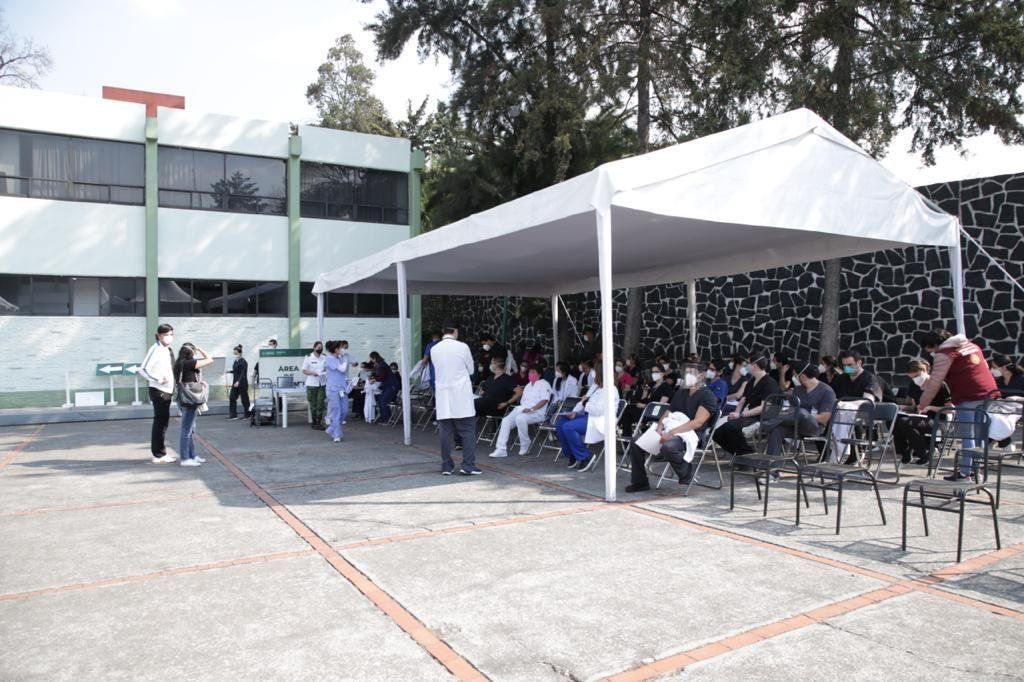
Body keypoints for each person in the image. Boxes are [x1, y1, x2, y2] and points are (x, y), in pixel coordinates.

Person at [917, 329, 1001, 481]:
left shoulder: (944, 354)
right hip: (988, 392)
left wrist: (923, 403)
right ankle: (978, 470)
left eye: (931, 349)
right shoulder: (972, 346)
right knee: (979, 433)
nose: (932, 353)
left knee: (968, 435)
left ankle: (965, 473)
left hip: (967, 394)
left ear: (936, 345)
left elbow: (935, 382)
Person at [624, 368, 718, 492]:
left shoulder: (707, 395)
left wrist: (672, 433)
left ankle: (685, 473)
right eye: (687, 372)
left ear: (701, 376)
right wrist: (659, 428)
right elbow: (668, 413)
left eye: (691, 373)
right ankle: (640, 482)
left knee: (668, 446)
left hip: (691, 433)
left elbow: (698, 422)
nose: (688, 375)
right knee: (636, 442)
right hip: (670, 428)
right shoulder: (681, 392)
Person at [431, 323, 481, 475]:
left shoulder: (434, 349)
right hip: (460, 395)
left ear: (443, 331)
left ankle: (446, 466)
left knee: (445, 433)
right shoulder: (462, 347)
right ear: (455, 331)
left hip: (443, 395)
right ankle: (468, 465)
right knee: (467, 431)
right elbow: (471, 369)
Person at [555, 362, 619, 470]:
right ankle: (573, 454)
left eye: (595, 371)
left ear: (601, 373)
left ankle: (585, 457)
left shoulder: (611, 390)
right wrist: (574, 412)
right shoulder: (596, 386)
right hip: (588, 416)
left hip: (600, 420)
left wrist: (586, 403)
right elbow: (583, 401)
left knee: (569, 427)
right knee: (560, 424)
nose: (593, 374)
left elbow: (598, 410)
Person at [761, 364, 836, 456]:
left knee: (801, 412)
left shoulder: (827, 391)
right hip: (795, 425)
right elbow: (791, 411)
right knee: (777, 430)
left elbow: (824, 418)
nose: (794, 378)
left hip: (814, 427)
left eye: (795, 375)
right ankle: (772, 462)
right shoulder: (797, 390)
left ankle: (762, 426)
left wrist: (805, 415)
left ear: (803, 376)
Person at [713, 358, 779, 456]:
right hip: (746, 416)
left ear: (755, 366)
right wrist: (736, 413)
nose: (746, 367)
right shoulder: (751, 381)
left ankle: (748, 455)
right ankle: (741, 455)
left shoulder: (770, 383)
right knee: (717, 433)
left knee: (730, 428)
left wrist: (741, 414)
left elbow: (764, 407)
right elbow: (743, 400)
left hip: (759, 418)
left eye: (748, 364)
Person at [894, 359, 951, 465]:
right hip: (919, 418)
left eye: (917, 376)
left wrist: (930, 408)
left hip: (937, 420)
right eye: (912, 377)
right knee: (894, 419)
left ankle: (920, 451)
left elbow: (950, 409)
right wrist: (902, 408)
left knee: (904, 422)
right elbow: (914, 406)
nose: (915, 380)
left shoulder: (940, 385)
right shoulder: (913, 385)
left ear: (925, 371)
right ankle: (905, 450)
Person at [489, 364, 552, 457]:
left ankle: (525, 443)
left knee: (520, 418)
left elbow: (544, 400)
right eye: (530, 372)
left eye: (533, 372)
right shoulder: (528, 386)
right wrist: (524, 409)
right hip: (522, 409)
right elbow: (523, 402)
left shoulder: (544, 384)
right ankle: (501, 449)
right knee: (505, 421)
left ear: (539, 374)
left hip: (537, 412)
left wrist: (531, 409)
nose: (530, 374)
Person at [139, 323, 177, 464]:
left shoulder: (167, 350)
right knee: (160, 423)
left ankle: (160, 452)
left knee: (163, 422)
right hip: (159, 391)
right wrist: (159, 379)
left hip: (167, 391)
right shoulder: (156, 349)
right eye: (166, 334)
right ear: (159, 336)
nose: (169, 337)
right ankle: (159, 454)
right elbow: (143, 369)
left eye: (171, 334)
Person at [174, 342, 213, 467]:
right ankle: (185, 458)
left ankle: (193, 455)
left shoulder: (178, 363)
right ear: (191, 352)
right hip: (191, 399)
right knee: (187, 430)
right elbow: (209, 359)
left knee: (190, 429)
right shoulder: (190, 363)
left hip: (182, 398)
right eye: (194, 351)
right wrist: (200, 348)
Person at [619, 365, 676, 436]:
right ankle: (626, 434)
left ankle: (624, 432)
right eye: (652, 372)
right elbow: (647, 399)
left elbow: (660, 405)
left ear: (662, 373)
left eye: (656, 372)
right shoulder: (652, 385)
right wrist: (644, 395)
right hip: (646, 410)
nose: (653, 374)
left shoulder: (666, 387)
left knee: (627, 411)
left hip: (654, 413)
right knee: (628, 408)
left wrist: (644, 406)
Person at [323, 340, 350, 443]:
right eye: (341, 348)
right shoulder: (329, 359)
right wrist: (346, 359)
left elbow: (344, 372)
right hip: (333, 389)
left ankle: (331, 428)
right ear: (336, 349)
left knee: (345, 410)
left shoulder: (340, 358)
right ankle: (337, 435)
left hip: (342, 388)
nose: (343, 349)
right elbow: (342, 369)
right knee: (336, 411)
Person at [301, 341, 327, 429]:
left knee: (321, 404)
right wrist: (313, 373)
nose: (320, 349)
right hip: (311, 384)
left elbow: (327, 368)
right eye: (318, 347)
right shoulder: (308, 357)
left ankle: (319, 422)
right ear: (314, 348)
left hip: (322, 383)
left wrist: (324, 372)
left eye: (321, 348)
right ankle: (314, 422)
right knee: (313, 404)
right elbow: (304, 370)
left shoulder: (324, 357)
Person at [371, 353, 399, 423]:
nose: (372, 361)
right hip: (388, 386)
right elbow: (380, 375)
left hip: (391, 386)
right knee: (381, 399)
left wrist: (374, 379)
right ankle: (386, 417)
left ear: (374, 358)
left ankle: (386, 419)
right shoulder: (381, 364)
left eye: (371, 359)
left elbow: (381, 376)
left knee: (383, 401)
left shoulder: (382, 365)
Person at [226, 344, 250, 420]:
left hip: (242, 383)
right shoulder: (235, 361)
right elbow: (236, 370)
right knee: (232, 398)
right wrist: (230, 371)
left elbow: (243, 373)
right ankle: (233, 415)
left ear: (239, 352)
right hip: (235, 383)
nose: (234, 354)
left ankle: (247, 415)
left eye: (235, 352)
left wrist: (238, 382)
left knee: (244, 399)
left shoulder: (243, 362)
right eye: (234, 352)